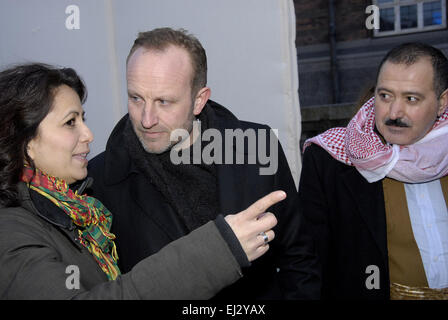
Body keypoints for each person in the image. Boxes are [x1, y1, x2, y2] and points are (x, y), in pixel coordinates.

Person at [0, 63, 285, 299]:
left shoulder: (80, 210)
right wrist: (220, 248)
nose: (88, 135)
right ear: (26, 142)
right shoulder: (10, 230)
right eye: (70, 122)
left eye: (165, 100)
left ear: (199, 100)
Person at [88, 27, 318, 299]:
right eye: (136, 98)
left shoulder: (257, 147)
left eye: (164, 101)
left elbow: (299, 258)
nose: (146, 119)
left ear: (199, 100)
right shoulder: (99, 179)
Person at [300, 42, 448, 300]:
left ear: (442, 102)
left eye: (411, 98)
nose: (394, 112)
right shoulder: (330, 160)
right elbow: (308, 262)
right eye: (385, 96)